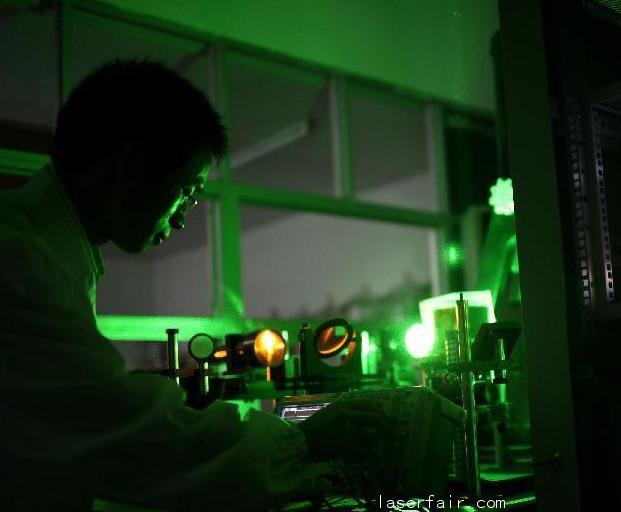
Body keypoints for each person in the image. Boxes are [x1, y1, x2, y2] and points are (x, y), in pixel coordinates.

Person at [0, 60, 391, 511]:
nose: (184, 219)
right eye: (186, 191)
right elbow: (128, 436)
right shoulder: (19, 261)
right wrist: (302, 441)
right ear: (129, 164)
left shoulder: (49, 254)